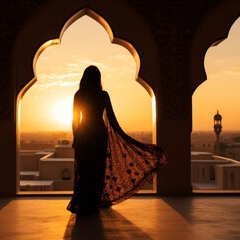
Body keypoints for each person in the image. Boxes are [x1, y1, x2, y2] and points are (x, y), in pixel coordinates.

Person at [67, 65, 167, 215]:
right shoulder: (103, 95)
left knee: (84, 168)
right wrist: (126, 137)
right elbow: (112, 120)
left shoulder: (79, 94)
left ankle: (82, 202)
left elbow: (75, 120)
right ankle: (92, 203)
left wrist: (76, 137)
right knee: (96, 169)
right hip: (99, 134)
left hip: (84, 134)